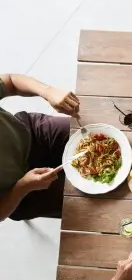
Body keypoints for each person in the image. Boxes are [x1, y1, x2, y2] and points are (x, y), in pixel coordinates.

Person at [0, 74, 80, 222]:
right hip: (19, 191)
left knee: (93, 137)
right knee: (88, 203)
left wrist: (48, 91)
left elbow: (10, 81)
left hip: (32, 133)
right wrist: (22, 187)